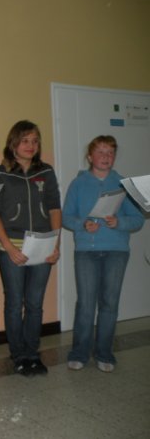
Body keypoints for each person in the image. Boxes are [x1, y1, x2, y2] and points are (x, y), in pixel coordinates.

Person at [63, 135, 144, 373]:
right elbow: (66, 217)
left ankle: (104, 353)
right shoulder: (78, 184)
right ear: (90, 157)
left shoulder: (124, 184)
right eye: (100, 152)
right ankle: (79, 353)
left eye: (110, 153)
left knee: (109, 303)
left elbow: (137, 220)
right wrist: (83, 224)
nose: (105, 157)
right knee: (86, 304)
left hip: (116, 251)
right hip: (86, 251)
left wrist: (119, 222)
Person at [0, 120, 61, 377]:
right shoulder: (1, 173)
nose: (31, 145)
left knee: (35, 304)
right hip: (13, 247)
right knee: (14, 303)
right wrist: (8, 247)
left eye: (35, 141)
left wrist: (55, 244)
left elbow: (54, 208)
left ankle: (32, 353)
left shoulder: (47, 171)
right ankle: (18, 355)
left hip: (42, 246)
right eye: (25, 140)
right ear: (14, 143)